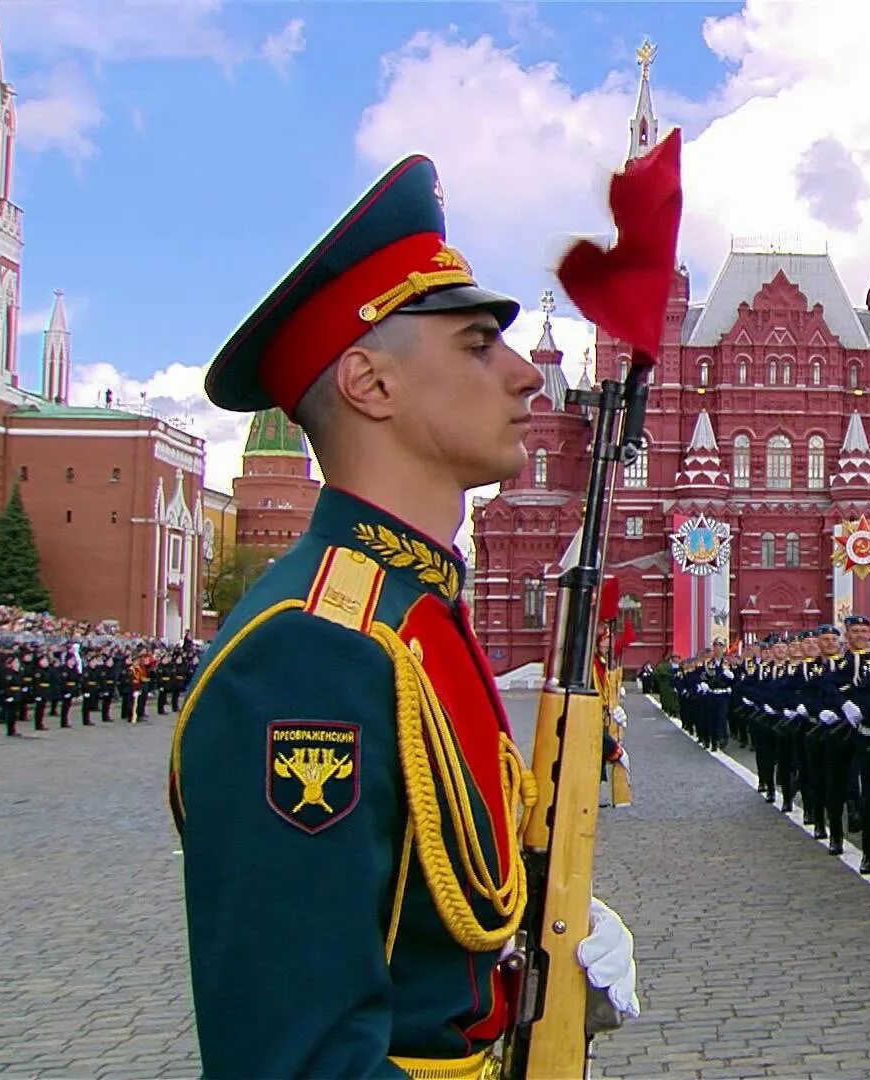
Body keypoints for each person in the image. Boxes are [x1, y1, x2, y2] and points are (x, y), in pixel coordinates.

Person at [169, 155, 637, 1077]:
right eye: (475, 345)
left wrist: (520, 951)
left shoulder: (409, 610)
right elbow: (297, 1058)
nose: (526, 376)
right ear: (370, 385)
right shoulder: (315, 651)